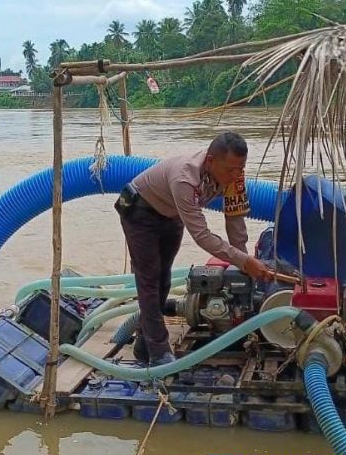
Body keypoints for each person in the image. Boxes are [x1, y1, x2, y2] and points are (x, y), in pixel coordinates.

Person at [115, 132, 272, 367]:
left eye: (240, 168)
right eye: (230, 169)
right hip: (140, 213)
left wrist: (243, 264)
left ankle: (144, 343)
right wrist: (243, 261)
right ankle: (159, 352)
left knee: (164, 278)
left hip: (172, 214)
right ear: (210, 161)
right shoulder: (184, 180)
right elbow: (202, 236)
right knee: (150, 279)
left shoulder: (234, 176)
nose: (236, 175)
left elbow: (235, 218)